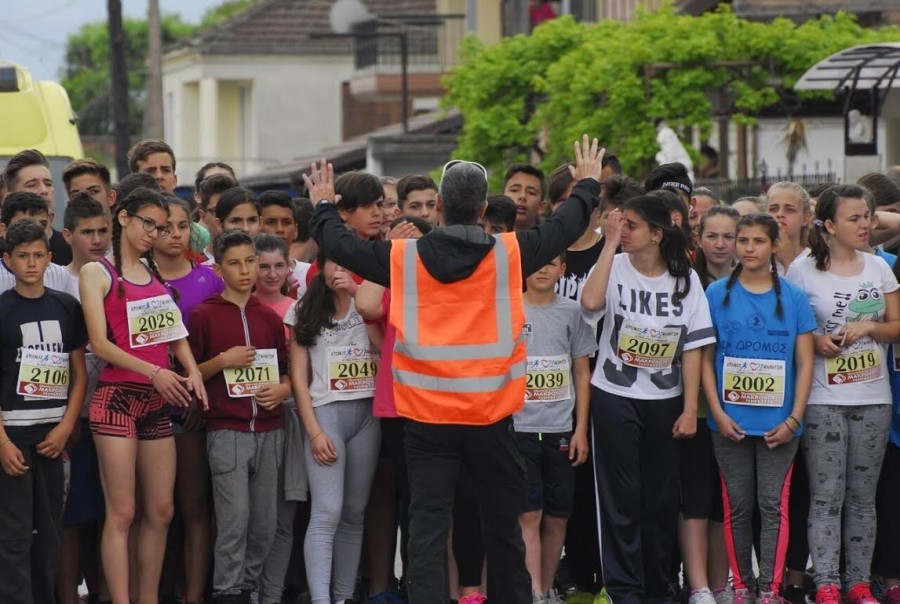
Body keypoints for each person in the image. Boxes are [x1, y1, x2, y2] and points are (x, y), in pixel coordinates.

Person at [306, 134, 606, 604]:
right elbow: (566, 225)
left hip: (427, 418)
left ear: (440, 206)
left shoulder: (403, 257)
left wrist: (325, 204)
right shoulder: (510, 253)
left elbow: (338, 243)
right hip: (492, 416)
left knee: (426, 526)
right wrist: (587, 184)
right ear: (483, 207)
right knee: (503, 526)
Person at [580, 194, 715, 604]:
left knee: (660, 497)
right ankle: (624, 590)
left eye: (632, 225)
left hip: (665, 399)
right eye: (621, 223)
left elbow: (694, 347)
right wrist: (608, 245)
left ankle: (659, 586)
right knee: (619, 496)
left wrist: (689, 409)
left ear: (657, 234)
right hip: (614, 394)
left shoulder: (685, 280)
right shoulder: (614, 265)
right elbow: (590, 303)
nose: (623, 231)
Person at [79, 187, 207, 604]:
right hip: (117, 398)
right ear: (123, 218)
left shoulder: (153, 274)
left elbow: (174, 333)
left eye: (162, 227)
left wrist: (191, 369)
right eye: (148, 223)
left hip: (155, 403)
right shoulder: (98, 272)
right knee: (122, 513)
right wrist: (155, 371)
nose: (154, 233)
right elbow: (100, 344)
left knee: (162, 511)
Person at [785, 184, 900, 604]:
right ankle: (828, 582)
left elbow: (897, 326)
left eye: (867, 216)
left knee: (863, 498)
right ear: (829, 225)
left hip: (873, 396)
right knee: (826, 496)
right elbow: (792, 328)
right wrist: (816, 341)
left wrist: (869, 327)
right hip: (823, 399)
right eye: (854, 218)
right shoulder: (802, 270)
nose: (865, 224)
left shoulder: (879, 268)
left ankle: (858, 583)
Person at [702, 213, 816, 604]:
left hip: (779, 426)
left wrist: (794, 419)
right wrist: (718, 414)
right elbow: (704, 359)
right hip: (729, 424)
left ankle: (770, 588)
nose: (749, 248)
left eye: (758, 241)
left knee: (772, 506)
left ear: (774, 245)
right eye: (743, 240)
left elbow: (805, 363)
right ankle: (742, 586)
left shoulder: (794, 297)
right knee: (737, 506)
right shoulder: (715, 294)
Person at [187, 229, 290, 604]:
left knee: (264, 523)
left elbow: (286, 372)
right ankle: (228, 592)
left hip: (270, 430)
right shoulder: (204, 315)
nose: (245, 271)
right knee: (234, 521)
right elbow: (188, 374)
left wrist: (283, 390)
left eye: (250, 262)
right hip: (227, 432)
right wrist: (222, 361)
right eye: (235, 263)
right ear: (218, 268)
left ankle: (248, 589)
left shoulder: (269, 318)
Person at [0, 219, 89, 604]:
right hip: (12, 436)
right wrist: (2, 442)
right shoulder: (2, 310)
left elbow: (79, 374)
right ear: (8, 260)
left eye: (38, 255)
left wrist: (66, 426)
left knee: (50, 530)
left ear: (50, 257)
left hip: (53, 436)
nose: (32, 263)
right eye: (23, 256)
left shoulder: (67, 306)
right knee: (14, 532)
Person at [286, 248, 381, 604]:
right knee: (328, 511)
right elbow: (298, 379)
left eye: (347, 263)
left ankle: (343, 597)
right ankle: (321, 600)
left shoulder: (368, 302)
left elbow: (385, 349)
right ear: (321, 266)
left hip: (367, 414)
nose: (340, 269)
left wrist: (360, 298)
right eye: (334, 262)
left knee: (355, 511)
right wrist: (313, 431)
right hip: (326, 415)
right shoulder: (304, 309)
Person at [355, 215, 432, 604]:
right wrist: (390, 252)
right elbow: (367, 304)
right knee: (404, 495)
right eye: (406, 245)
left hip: (436, 404)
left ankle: (422, 584)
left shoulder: (440, 282)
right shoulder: (392, 281)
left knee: (427, 501)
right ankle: (404, 585)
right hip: (399, 403)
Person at [152, 196, 223, 604]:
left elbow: (222, 345)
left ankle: (193, 595)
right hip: (146, 409)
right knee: (154, 511)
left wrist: (200, 396)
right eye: (165, 228)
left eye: (182, 226)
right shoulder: (135, 278)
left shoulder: (209, 280)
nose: (175, 235)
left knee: (194, 506)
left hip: (194, 411)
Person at [516, 253, 596, 604]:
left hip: (561, 428)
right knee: (529, 513)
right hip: (520, 427)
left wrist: (580, 429)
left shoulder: (572, 312)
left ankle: (548, 589)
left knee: (558, 516)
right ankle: (534, 591)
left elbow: (582, 371)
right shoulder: (510, 309)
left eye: (551, 263)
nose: (543, 269)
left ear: (563, 270)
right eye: (537, 262)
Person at [679, 205, 740, 604]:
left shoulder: (755, 282)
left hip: (743, 410)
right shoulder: (688, 283)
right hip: (699, 411)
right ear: (698, 239)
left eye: (728, 236)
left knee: (725, 504)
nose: (720, 244)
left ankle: (721, 583)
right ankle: (698, 584)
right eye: (712, 236)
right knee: (695, 501)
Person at [57, 193, 111, 604]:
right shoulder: (54, 281)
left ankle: (107, 595)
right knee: (72, 518)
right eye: (87, 232)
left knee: (111, 515)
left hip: (114, 414)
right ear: (67, 235)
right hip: (68, 420)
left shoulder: (118, 277)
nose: (96, 239)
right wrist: (67, 419)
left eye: (103, 231)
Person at [252, 233, 305, 604]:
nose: (271, 274)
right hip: (247, 418)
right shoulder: (242, 309)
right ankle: (249, 593)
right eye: (263, 266)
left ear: (289, 268)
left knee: (284, 515)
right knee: (253, 515)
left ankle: (271, 594)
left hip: (292, 415)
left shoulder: (298, 311)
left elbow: (309, 369)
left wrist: (287, 390)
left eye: (278, 266)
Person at [0, 192, 80, 296]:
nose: (35, 232)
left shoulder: (61, 275)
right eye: (23, 225)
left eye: (42, 225)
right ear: (3, 230)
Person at [4, 148, 73, 265]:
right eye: (32, 185)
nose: (43, 190)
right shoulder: (3, 249)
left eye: (48, 184)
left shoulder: (71, 248)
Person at [504, 164, 545, 230]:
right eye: (514, 190)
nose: (522, 196)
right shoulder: (488, 235)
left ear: (541, 207)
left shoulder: (551, 236)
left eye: (531, 192)